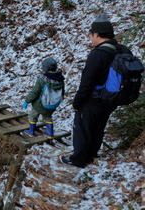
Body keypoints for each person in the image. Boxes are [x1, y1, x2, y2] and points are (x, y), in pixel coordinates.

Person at [59, 14, 133, 168]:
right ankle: (91, 154)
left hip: (94, 98)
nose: (90, 38)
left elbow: (86, 82)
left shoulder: (98, 54)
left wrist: (77, 102)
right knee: (98, 126)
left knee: (83, 127)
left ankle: (78, 159)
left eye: (91, 35)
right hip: (112, 98)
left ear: (97, 34)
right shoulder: (122, 50)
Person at [22, 57, 65, 138]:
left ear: (44, 68)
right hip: (52, 104)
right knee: (48, 117)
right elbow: (62, 93)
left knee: (33, 115)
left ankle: (31, 131)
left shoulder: (42, 79)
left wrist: (27, 101)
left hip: (40, 104)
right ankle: (50, 133)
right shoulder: (61, 80)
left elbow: (34, 92)